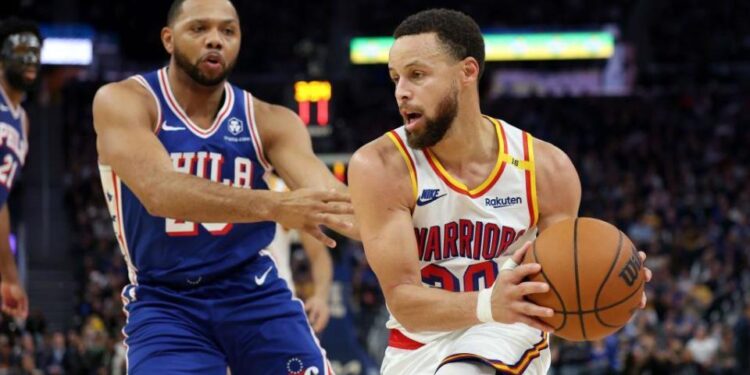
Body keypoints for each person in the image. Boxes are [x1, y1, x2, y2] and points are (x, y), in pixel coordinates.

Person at [348, 9, 651, 375]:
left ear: (467, 72)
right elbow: (403, 301)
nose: (401, 92)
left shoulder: (546, 168)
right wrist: (488, 302)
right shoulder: (379, 166)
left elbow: (564, 285)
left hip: (508, 333)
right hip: (416, 347)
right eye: (396, 78)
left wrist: (616, 285)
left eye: (417, 75)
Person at [92, 0, 357, 373]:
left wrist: (415, 215)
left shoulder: (269, 120)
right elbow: (160, 192)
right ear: (169, 39)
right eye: (199, 29)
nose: (215, 40)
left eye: (227, 31)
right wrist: (276, 206)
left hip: (254, 291)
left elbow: (334, 201)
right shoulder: (125, 101)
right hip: (166, 300)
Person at [0, 17, 40, 320]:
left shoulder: (23, 120)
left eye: (36, 50)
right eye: (22, 49)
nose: (30, 57)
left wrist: (9, 275)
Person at [266, 173, 332, 333]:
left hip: (278, 302)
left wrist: (321, 297)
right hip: (225, 301)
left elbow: (319, 254)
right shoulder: (214, 190)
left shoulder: (283, 192)